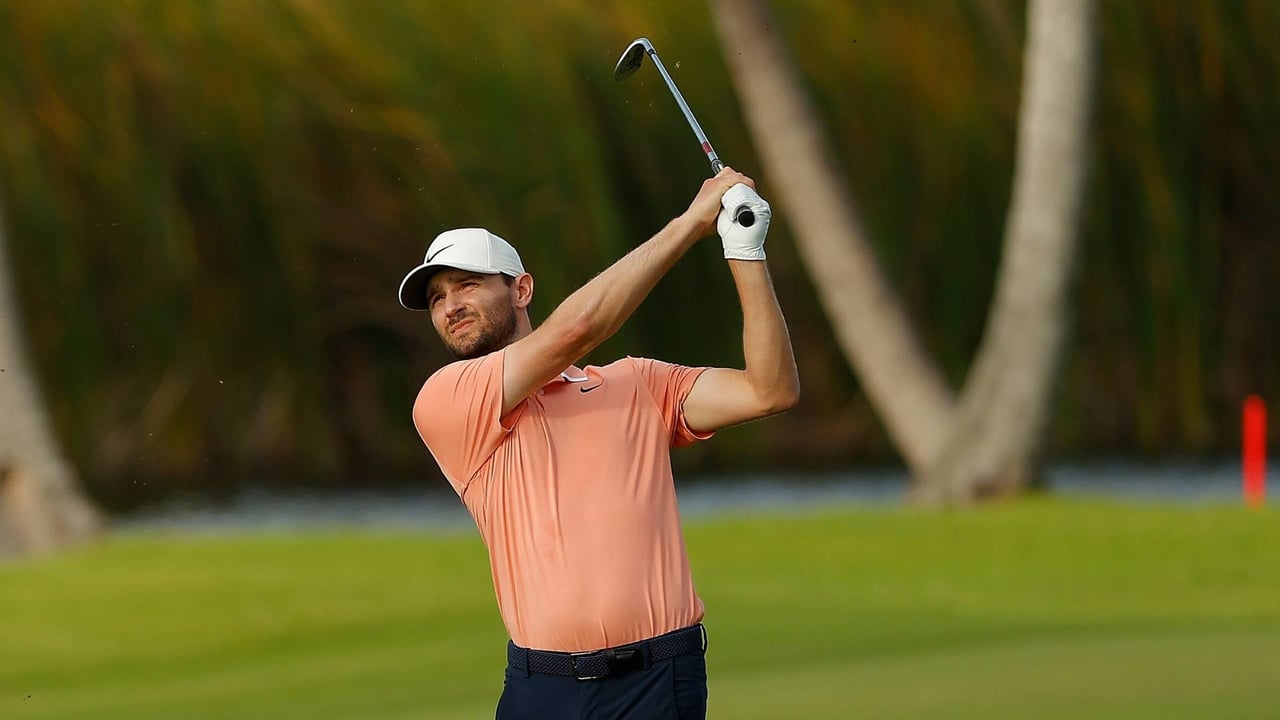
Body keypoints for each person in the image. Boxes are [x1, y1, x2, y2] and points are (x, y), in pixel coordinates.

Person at [399, 168, 798, 720]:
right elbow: (577, 329)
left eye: (467, 284)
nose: (449, 306)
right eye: (437, 298)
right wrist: (690, 223)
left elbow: (770, 390)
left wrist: (743, 250)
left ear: (521, 288)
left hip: (660, 681)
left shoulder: (636, 384)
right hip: (544, 687)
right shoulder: (448, 401)